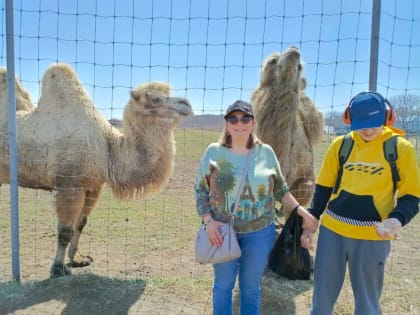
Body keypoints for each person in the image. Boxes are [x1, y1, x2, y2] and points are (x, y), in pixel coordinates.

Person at [300, 91, 420, 315]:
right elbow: (324, 187)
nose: (368, 130)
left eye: (374, 123)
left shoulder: (401, 149)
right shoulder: (340, 145)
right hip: (333, 232)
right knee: (321, 299)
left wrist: (397, 219)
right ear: (349, 119)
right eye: (361, 124)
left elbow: (411, 196)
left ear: (387, 117)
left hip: (373, 235)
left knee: (367, 303)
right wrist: (311, 220)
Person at [195, 100, 318, 315]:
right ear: (227, 123)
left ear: (253, 123)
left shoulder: (266, 153)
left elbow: (281, 190)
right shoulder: (213, 152)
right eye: (233, 118)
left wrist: (300, 211)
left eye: (245, 118)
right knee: (223, 287)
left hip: (259, 234)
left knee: (251, 288)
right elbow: (200, 191)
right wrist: (208, 221)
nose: (239, 123)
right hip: (222, 233)